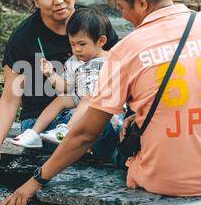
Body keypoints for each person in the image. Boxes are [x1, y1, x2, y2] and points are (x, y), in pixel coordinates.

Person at [0, 0, 201, 205]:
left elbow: (84, 135)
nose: (124, 17)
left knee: (108, 133)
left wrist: (34, 182)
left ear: (141, 4)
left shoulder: (127, 49)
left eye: (122, 7)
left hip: (165, 180)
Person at [0, 0, 120, 176]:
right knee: (94, 126)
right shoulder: (24, 38)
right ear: (35, 0)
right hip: (42, 122)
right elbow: (9, 99)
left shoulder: (92, 23)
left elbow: (122, 69)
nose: (58, 0)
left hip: (90, 106)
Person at [10, 8, 124, 148]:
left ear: (101, 41)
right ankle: (33, 133)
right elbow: (66, 87)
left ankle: (67, 130)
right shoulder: (74, 61)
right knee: (62, 99)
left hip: (106, 106)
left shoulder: (113, 59)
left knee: (87, 98)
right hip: (81, 98)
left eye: (82, 44)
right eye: (73, 44)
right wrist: (50, 74)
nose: (77, 49)